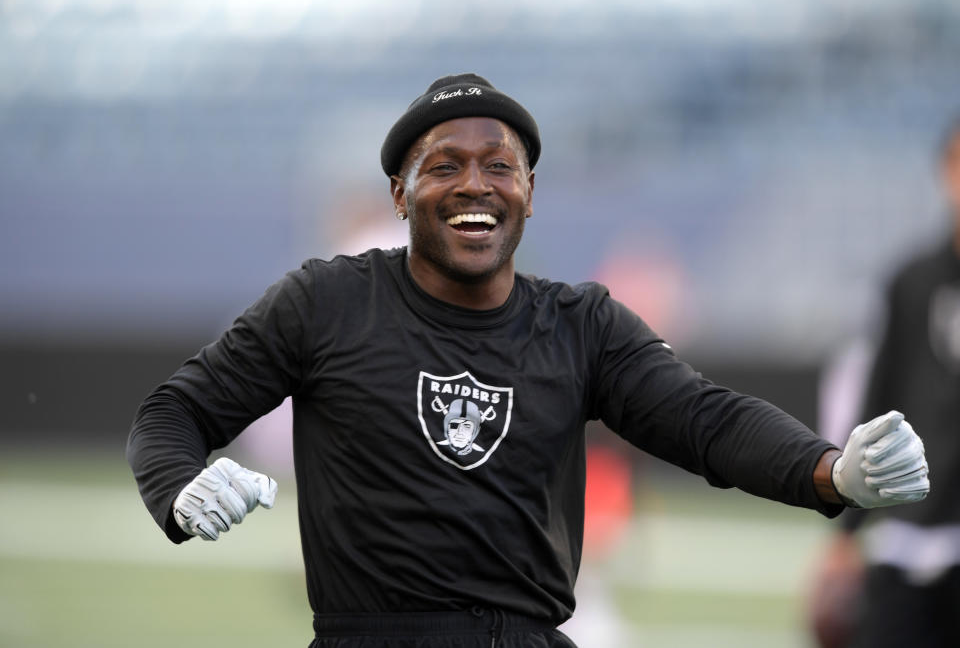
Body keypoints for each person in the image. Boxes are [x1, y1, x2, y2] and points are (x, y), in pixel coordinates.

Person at [127, 74, 930, 648]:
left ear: (530, 191)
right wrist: (178, 481)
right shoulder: (325, 301)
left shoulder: (581, 323)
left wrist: (829, 473)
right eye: (443, 165)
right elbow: (174, 412)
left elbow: (703, 420)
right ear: (401, 197)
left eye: (498, 165)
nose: (474, 184)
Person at [809, 116, 960, 648]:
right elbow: (879, 398)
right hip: (906, 536)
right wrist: (846, 533)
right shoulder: (912, 281)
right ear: (946, 171)